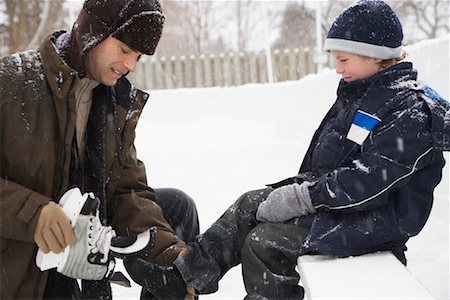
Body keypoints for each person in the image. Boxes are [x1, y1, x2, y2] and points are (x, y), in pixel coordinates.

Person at [125, 0, 450, 299]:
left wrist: (303, 197)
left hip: (376, 223)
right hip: (342, 207)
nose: (337, 68)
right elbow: (326, 164)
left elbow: (367, 183)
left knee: (265, 242)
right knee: (249, 204)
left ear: (376, 55)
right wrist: (289, 192)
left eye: (343, 59)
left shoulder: (411, 111)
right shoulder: (361, 92)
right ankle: (185, 278)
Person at [0, 0, 199, 299]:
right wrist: (34, 214)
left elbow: (125, 189)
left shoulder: (113, 101)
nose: (131, 65)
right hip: (20, 260)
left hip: (78, 241)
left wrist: (172, 258)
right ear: (94, 32)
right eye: (124, 49)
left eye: (138, 56)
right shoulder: (12, 82)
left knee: (176, 209)